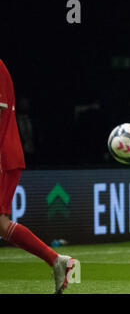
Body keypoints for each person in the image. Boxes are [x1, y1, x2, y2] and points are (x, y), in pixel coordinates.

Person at [0, 59, 75, 293]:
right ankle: (56, 260)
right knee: (1, 224)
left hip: (3, 155)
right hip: (6, 154)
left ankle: (56, 260)